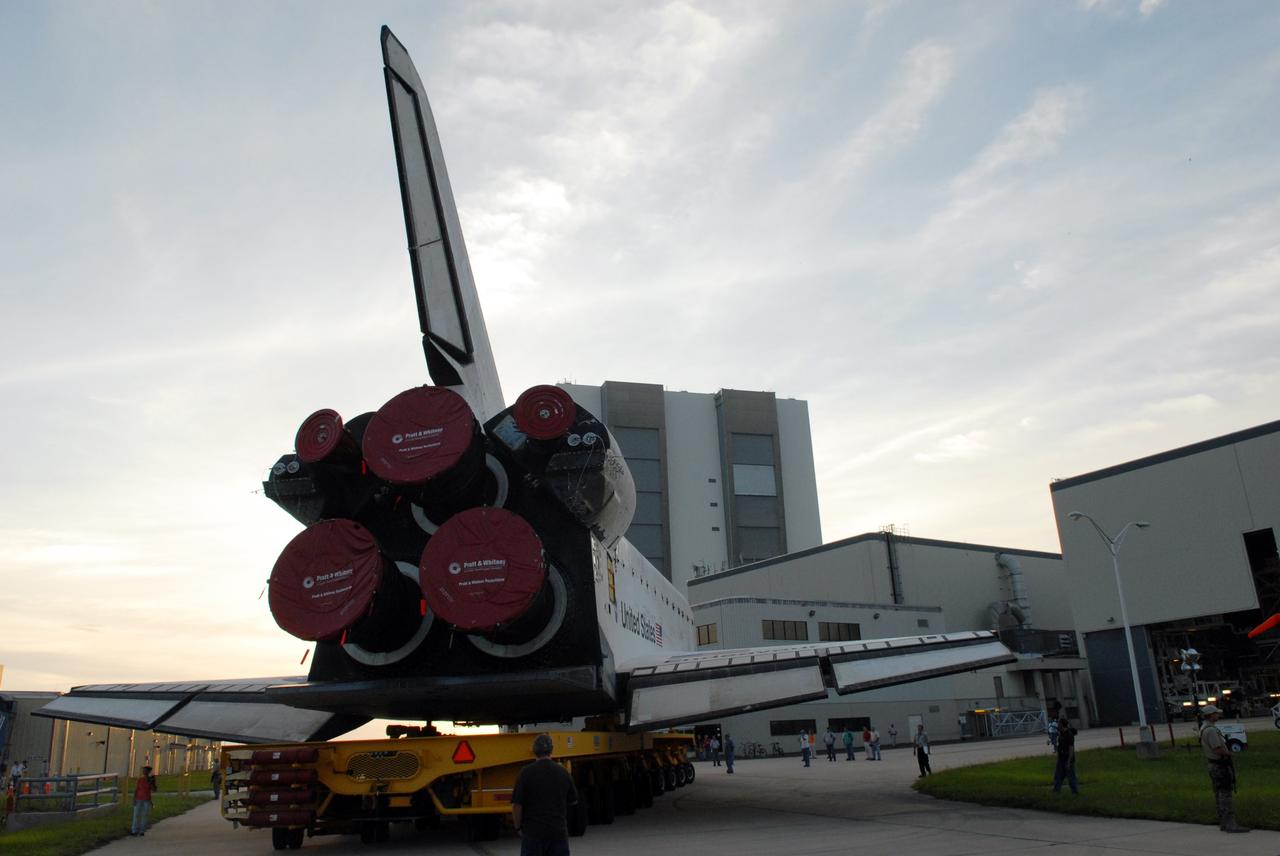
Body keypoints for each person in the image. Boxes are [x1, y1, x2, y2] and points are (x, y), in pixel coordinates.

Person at [512, 734, 580, 856]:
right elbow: (573, 801)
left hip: (533, 834)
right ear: (551, 749)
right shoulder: (563, 772)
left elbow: (517, 806)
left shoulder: (525, 773)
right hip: (557, 833)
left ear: (534, 750)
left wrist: (518, 827)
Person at [1199, 704, 1249, 833]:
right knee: (1225, 794)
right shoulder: (1210, 730)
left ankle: (1224, 822)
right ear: (1210, 715)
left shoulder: (1205, 728)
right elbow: (1217, 748)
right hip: (1219, 765)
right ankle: (1230, 824)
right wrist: (1229, 754)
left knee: (1219, 793)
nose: (1218, 715)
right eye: (1216, 713)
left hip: (1214, 764)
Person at [1051, 716, 1077, 794]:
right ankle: (1056, 791)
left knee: (1071, 777)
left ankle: (1075, 792)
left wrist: (1069, 761)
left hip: (1068, 759)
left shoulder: (1069, 735)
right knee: (1058, 776)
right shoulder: (1061, 734)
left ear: (1062, 724)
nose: (1057, 725)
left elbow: (1071, 748)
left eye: (1058, 724)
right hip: (1061, 759)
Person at [131, 765, 157, 836]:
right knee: (136, 815)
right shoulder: (140, 779)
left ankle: (142, 830)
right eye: (143, 770)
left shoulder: (151, 780)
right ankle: (134, 830)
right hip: (138, 798)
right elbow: (136, 789)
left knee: (145, 815)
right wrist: (134, 799)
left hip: (147, 800)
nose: (144, 772)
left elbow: (154, 790)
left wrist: (151, 782)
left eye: (145, 770)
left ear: (149, 772)